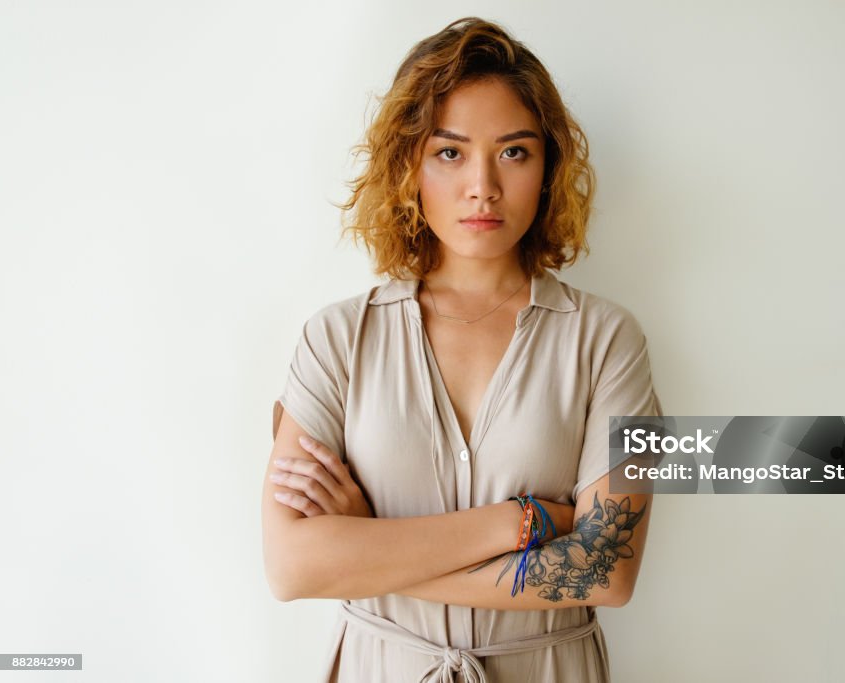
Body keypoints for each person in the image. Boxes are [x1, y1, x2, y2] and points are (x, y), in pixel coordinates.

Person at [262, 17, 662, 683]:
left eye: (514, 152)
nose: (483, 186)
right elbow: (291, 567)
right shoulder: (335, 339)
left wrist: (372, 549)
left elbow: (606, 570)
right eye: (450, 152)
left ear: (547, 167)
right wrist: (522, 520)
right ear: (409, 165)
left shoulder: (609, 341)